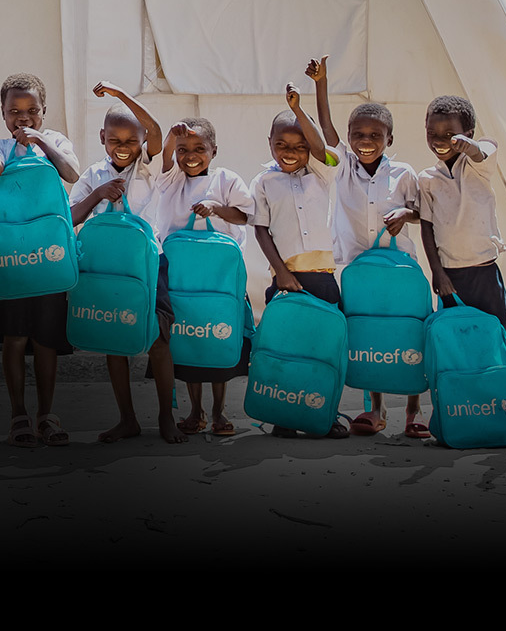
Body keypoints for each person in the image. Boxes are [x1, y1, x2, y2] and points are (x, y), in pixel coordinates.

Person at [307, 55, 425, 437]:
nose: (366, 142)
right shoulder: (342, 166)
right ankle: (375, 410)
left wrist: (406, 215)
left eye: (376, 135)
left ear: (390, 138)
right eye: (358, 135)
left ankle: (413, 410)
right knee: (370, 333)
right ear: (350, 136)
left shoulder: (403, 173)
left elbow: (422, 212)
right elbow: (325, 129)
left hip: (399, 268)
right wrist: (321, 85)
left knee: (408, 331)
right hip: (359, 267)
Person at [69, 82, 187, 444]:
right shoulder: (93, 175)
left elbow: (154, 130)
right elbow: (70, 216)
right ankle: (127, 419)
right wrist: (98, 194)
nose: (123, 148)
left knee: (159, 341)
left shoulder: (150, 168)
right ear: (102, 137)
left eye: (131, 141)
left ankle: (166, 417)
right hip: (106, 269)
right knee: (114, 341)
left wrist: (121, 96)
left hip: (148, 265)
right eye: (115, 140)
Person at [0, 73, 80, 449]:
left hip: (49, 258)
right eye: (14, 111)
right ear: (3, 114)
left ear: (43, 112)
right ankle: (18, 413)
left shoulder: (55, 141)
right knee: (15, 337)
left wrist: (42, 142)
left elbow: (71, 173)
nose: (24, 118)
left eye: (32, 111)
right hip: (14, 258)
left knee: (46, 340)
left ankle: (46, 415)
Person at [251, 83, 348, 439]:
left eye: (299, 146)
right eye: (282, 145)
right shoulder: (263, 181)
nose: (290, 152)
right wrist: (281, 272)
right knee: (288, 348)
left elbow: (324, 147)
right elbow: (261, 231)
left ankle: (327, 414)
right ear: (270, 143)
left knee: (323, 349)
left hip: (322, 278)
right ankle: (285, 414)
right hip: (287, 279)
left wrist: (298, 107)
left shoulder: (322, 174)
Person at [153, 117, 255, 435]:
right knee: (190, 344)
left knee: (219, 343)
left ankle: (218, 413)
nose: (190, 155)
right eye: (183, 149)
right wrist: (171, 137)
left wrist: (216, 207)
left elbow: (244, 215)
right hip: (182, 280)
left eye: (200, 148)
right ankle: (195, 412)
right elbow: (166, 155)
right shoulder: (171, 178)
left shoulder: (227, 179)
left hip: (221, 280)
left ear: (214, 150)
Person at [418, 95, 506, 333]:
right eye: (432, 133)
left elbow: (486, 148)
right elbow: (427, 227)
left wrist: (467, 145)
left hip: (484, 272)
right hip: (450, 276)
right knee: (458, 340)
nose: (439, 140)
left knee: (494, 334)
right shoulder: (427, 178)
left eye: (449, 134)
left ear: (468, 134)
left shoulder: (478, 166)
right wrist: (437, 272)